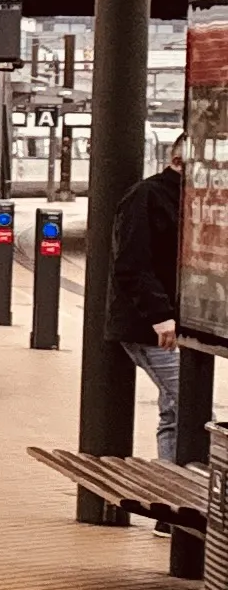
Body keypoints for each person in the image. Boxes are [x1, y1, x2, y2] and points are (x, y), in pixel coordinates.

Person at [107, 154, 187, 464]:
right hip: (151, 327)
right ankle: (181, 492)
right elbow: (131, 262)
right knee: (192, 407)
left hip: (179, 325)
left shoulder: (200, 198)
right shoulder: (146, 195)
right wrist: (159, 316)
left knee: (174, 409)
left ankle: (171, 496)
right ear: (177, 159)